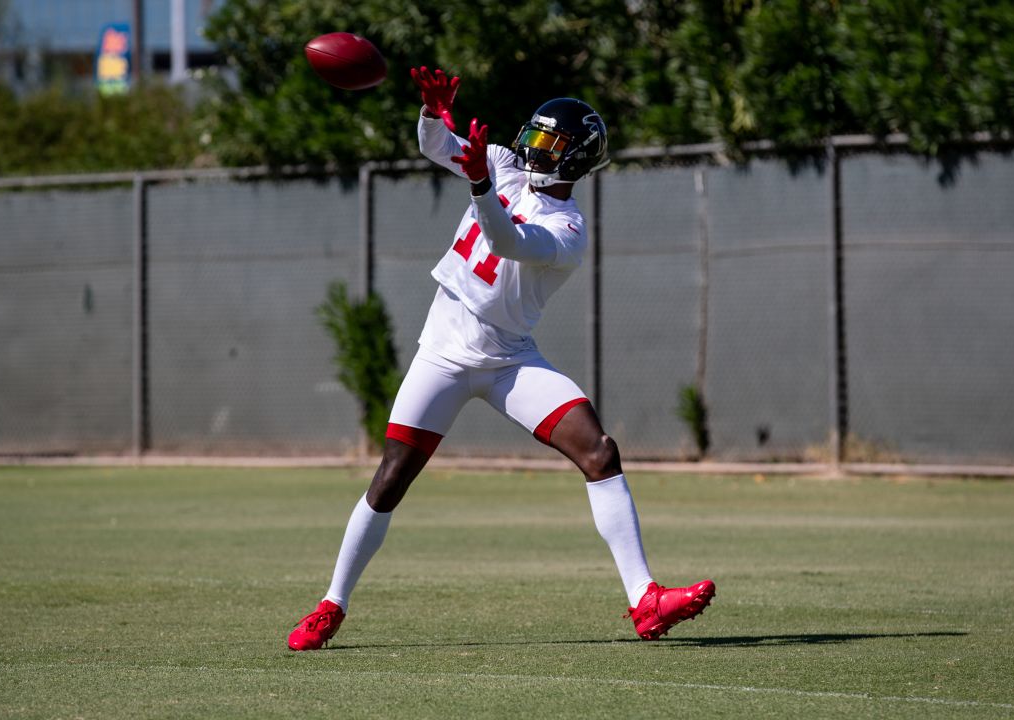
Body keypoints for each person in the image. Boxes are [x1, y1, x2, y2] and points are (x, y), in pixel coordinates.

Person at [287, 67, 715, 651]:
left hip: (509, 360)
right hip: (443, 350)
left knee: (599, 450)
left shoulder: (567, 228)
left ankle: (645, 600)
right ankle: (330, 606)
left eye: (548, 143)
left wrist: (482, 188)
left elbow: (507, 241)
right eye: (533, 136)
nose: (530, 148)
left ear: (574, 159)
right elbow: (436, 145)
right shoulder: (507, 165)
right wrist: (432, 111)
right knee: (391, 479)